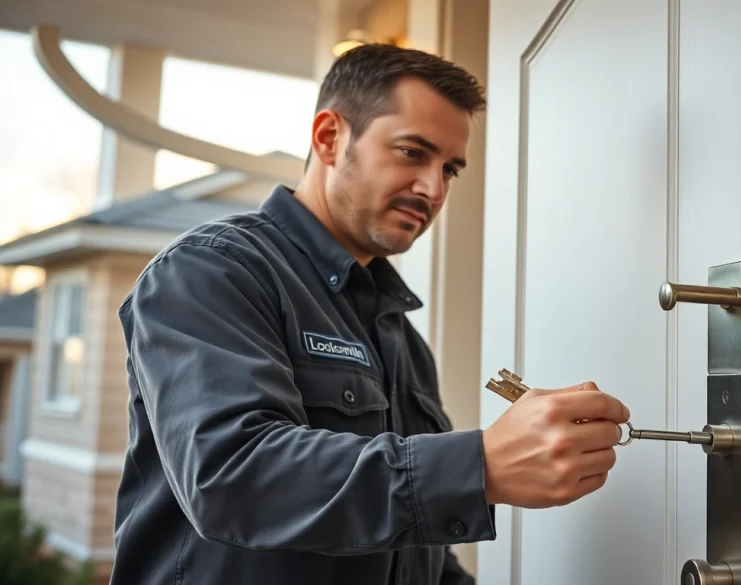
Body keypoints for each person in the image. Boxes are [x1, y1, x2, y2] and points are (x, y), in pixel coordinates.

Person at [107, 44, 630, 585]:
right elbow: (230, 477)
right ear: (329, 137)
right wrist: (479, 465)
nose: (433, 189)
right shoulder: (211, 271)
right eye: (412, 152)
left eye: (450, 169)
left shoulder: (400, 335)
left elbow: (411, 555)